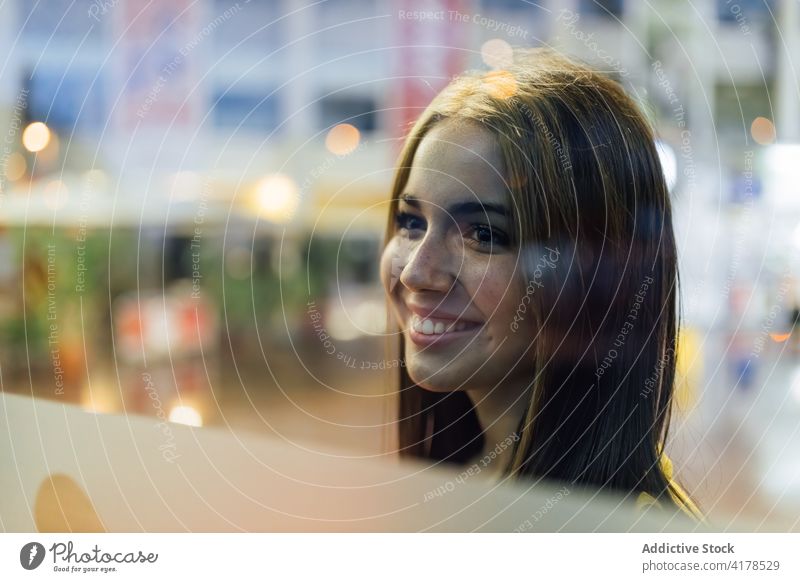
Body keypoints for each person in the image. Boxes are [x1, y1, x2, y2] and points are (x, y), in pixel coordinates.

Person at [379, 48, 703, 522]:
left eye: (485, 234)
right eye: (411, 222)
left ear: (596, 275)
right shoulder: (470, 490)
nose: (415, 273)